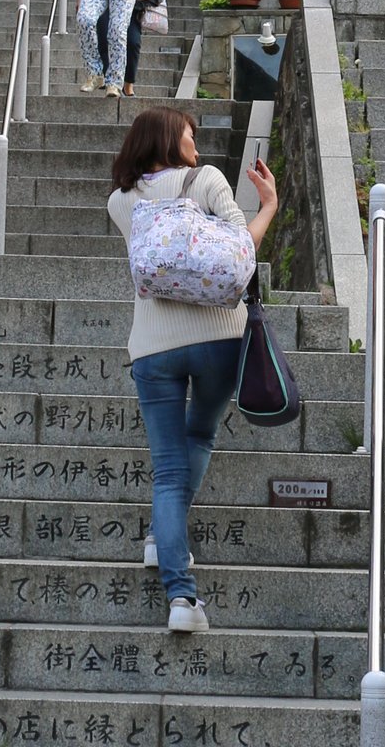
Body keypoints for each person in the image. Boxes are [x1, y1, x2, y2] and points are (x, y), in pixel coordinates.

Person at [107, 107, 278, 634]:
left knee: (167, 467)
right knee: (198, 434)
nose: (197, 148)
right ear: (168, 139)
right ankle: (167, 541)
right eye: (190, 136)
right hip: (219, 338)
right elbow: (241, 251)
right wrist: (268, 204)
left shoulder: (121, 201)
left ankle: (180, 594)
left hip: (154, 349)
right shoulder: (206, 181)